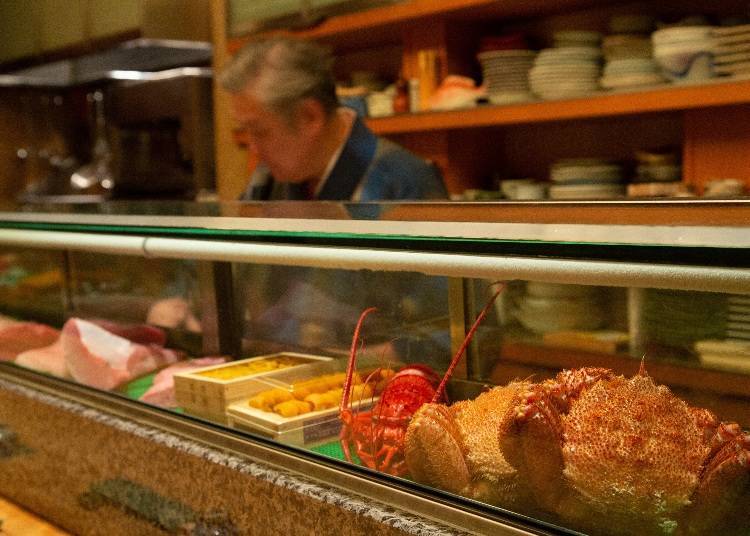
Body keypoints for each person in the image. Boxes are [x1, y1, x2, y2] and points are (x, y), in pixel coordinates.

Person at [219, 36, 447, 201]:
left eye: (259, 131)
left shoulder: (407, 183)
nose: (253, 148)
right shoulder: (267, 177)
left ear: (310, 117)